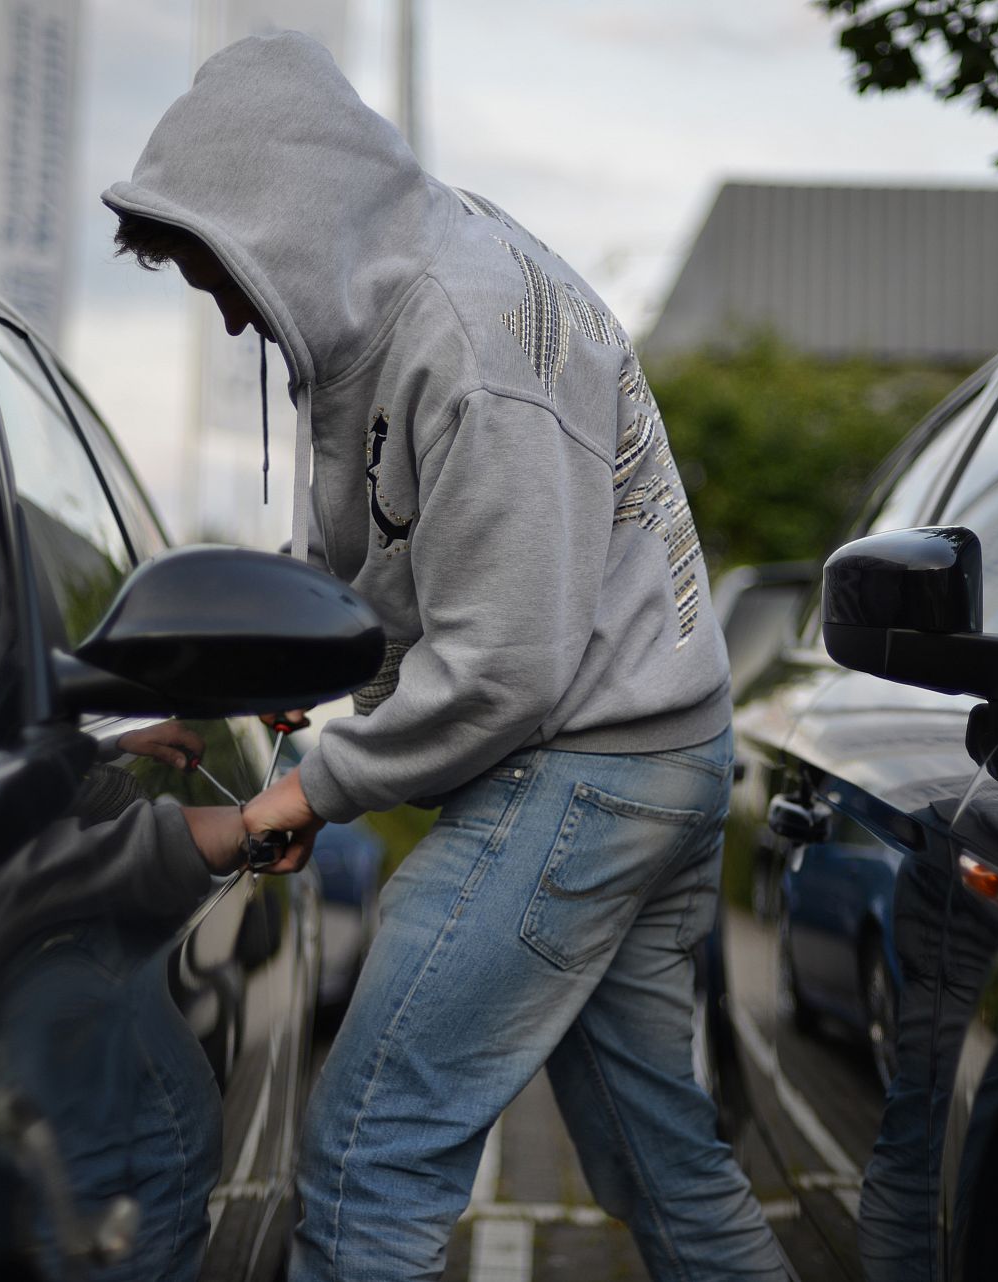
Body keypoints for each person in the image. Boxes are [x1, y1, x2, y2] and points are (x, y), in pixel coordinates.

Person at [103, 31, 791, 1282]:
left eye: (218, 269)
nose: (221, 306)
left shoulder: (469, 341)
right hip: (649, 754)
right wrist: (189, 690)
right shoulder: (389, 301)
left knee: (371, 1153)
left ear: (286, 214)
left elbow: (505, 667)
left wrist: (298, 795)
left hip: (583, 770)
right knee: (661, 1165)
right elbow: (352, 586)